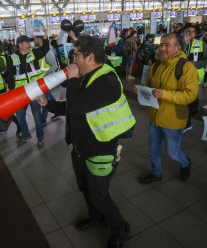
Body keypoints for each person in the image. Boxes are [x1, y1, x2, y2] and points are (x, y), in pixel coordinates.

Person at [37, 35, 135, 248]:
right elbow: (74, 108)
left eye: (76, 55)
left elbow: (76, 106)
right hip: (81, 147)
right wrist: (48, 104)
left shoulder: (107, 82)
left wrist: (71, 80)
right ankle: (96, 218)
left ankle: (120, 229)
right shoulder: (86, 77)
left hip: (101, 148)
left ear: (90, 57)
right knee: (85, 187)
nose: (72, 60)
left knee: (99, 194)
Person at [138, 33, 198, 184]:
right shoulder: (157, 64)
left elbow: (190, 95)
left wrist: (165, 94)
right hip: (155, 116)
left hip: (173, 119)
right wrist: (141, 90)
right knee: (153, 149)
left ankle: (185, 163)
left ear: (177, 47)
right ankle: (156, 173)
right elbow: (149, 85)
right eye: (161, 45)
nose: (162, 48)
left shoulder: (186, 67)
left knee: (173, 152)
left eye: (167, 45)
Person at [8, 33, 49, 147]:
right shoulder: (12, 58)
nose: (26, 44)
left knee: (37, 117)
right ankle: (26, 134)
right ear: (19, 45)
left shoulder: (34, 53)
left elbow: (45, 48)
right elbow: (10, 75)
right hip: (21, 93)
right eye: (24, 43)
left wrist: (45, 37)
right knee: (20, 116)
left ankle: (40, 137)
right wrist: (12, 90)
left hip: (34, 91)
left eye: (27, 42)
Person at [33, 31, 59, 126]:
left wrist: (46, 77)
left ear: (39, 38)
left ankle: (43, 119)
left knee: (45, 98)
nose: (33, 40)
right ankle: (57, 110)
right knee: (48, 97)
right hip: (41, 79)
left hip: (45, 80)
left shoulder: (47, 50)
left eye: (34, 38)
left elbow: (54, 65)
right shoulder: (39, 49)